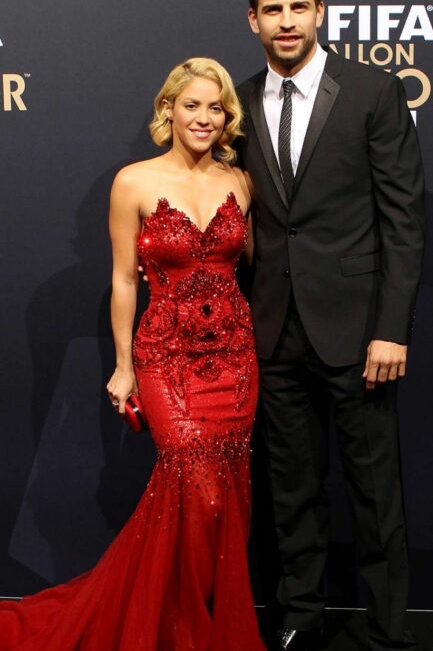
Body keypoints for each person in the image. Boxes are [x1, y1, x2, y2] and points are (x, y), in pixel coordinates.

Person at [0, 57, 265, 651]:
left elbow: (260, 269)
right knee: (195, 485)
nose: (203, 117)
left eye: (215, 107)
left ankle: (196, 612)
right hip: (166, 357)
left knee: (228, 495)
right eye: (191, 105)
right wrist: (123, 366)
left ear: (228, 117)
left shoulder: (242, 181)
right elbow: (123, 280)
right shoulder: (134, 181)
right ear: (167, 108)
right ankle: (176, 625)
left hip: (233, 356)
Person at [236, 0, 426, 650]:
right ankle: (301, 620)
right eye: (273, 10)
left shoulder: (373, 91)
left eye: (299, 8)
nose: (287, 22)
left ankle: (387, 632)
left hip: (360, 335)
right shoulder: (241, 98)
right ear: (253, 19)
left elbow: (403, 218)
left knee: (376, 496)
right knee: (293, 493)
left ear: (320, 12)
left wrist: (391, 328)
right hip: (275, 332)